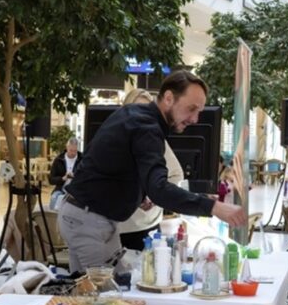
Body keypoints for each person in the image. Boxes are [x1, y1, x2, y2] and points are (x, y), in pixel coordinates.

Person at [58, 70, 245, 273]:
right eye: (191, 109)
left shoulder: (136, 117)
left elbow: (110, 166)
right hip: (88, 220)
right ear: (168, 98)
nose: (195, 119)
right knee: (107, 297)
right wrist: (214, 207)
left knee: (97, 291)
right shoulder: (146, 127)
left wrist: (138, 194)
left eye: (199, 111)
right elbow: (159, 189)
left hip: (90, 217)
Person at [117, 89, 186, 251]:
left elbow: (177, 174)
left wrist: (155, 195)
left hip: (149, 224)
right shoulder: (117, 139)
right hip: (122, 225)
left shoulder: (155, 138)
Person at [49, 137, 82, 209]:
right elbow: (51, 180)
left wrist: (76, 177)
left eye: (75, 151)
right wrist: (63, 178)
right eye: (71, 150)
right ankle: (52, 218)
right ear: (67, 148)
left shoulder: (82, 160)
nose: (73, 153)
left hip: (76, 190)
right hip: (61, 188)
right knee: (54, 198)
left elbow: (86, 176)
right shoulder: (58, 160)